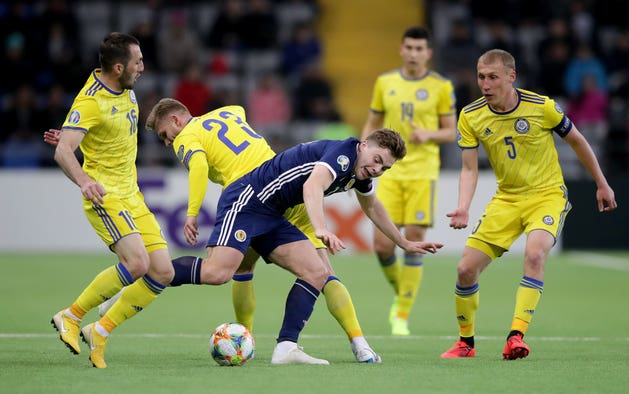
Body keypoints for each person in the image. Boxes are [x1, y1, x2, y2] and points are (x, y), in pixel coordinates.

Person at [145, 104, 443, 363]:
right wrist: (322, 228)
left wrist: (403, 241)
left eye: (385, 168)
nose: (378, 170)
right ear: (364, 145)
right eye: (378, 160)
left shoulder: (359, 173)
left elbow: (373, 207)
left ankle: (286, 347)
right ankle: (149, 271)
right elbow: (312, 186)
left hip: (275, 213)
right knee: (217, 273)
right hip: (249, 199)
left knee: (317, 272)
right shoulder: (343, 155)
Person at [440, 49, 617, 360]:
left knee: (534, 254)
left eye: (493, 77)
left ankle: (516, 336)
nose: (485, 83)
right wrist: (464, 205)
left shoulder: (542, 107)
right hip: (507, 199)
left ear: (511, 76)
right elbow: (469, 169)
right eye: (481, 76)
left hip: (546, 196)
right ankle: (465, 343)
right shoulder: (470, 115)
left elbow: (577, 140)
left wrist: (601, 183)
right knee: (465, 269)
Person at [48, 32, 175, 369]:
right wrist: (85, 179)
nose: (143, 67)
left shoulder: (126, 91)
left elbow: (98, 135)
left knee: (163, 272)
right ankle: (71, 316)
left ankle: (100, 329)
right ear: (119, 67)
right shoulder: (90, 101)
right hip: (105, 195)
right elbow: (64, 152)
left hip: (131, 193)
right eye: (138, 62)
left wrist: (76, 136)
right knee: (137, 264)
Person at [361, 25, 457, 335]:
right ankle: (401, 294)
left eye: (420, 49)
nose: (414, 54)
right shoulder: (384, 82)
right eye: (409, 48)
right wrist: (360, 157)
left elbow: (452, 130)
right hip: (388, 171)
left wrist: (428, 134)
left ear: (428, 53)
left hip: (422, 172)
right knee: (382, 246)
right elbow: (372, 123)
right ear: (402, 50)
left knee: (414, 237)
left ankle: (401, 313)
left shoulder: (441, 86)